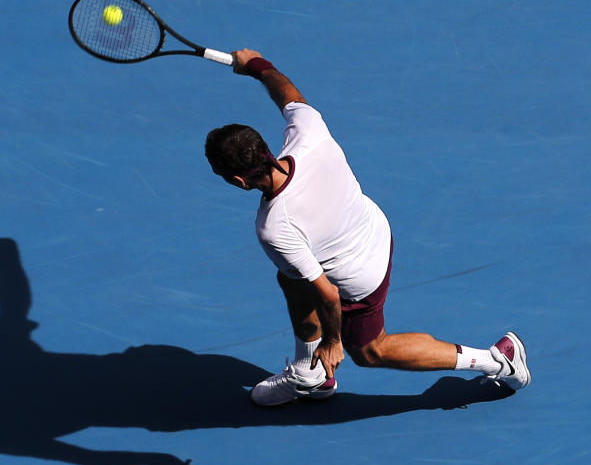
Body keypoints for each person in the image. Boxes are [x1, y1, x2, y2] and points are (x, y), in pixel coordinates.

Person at [205, 49, 531, 406]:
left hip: (359, 277)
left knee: (370, 351)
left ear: (238, 181)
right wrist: (257, 66)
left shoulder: (274, 228)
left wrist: (332, 343)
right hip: (374, 228)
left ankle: (496, 360)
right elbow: (288, 94)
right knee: (292, 277)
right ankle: (311, 374)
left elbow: (328, 295)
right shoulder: (308, 132)